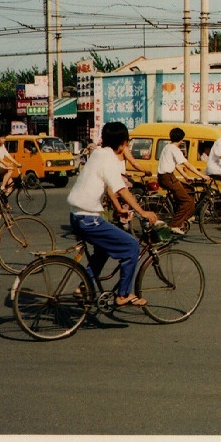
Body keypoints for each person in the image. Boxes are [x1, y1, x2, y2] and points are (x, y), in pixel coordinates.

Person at [67, 121, 158, 308]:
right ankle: (123, 293)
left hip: (78, 216)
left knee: (102, 249)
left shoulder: (98, 154)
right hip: (88, 219)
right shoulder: (109, 160)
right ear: (123, 143)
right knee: (132, 245)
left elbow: (108, 187)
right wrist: (142, 212)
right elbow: (121, 189)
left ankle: (84, 286)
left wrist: (118, 209)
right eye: (126, 144)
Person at [157, 127, 210, 236]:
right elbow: (187, 165)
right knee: (187, 201)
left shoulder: (167, 147)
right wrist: (202, 176)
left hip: (165, 177)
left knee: (189, 189)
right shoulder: (175, 149)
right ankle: (175, 225)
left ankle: (185, 216)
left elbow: (176, 164)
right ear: (182, 139)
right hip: (168, 178)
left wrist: (185, 176)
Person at [0, 128, 23, 193]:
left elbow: (8, 155)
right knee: (10, 169)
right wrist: (5, 163)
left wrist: (17, 163)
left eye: (5, 138)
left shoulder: (2, 146)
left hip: (0, 164)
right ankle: (2, 186)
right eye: (2, 138)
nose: (4, 140)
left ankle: (4, 200)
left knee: (11, 184)